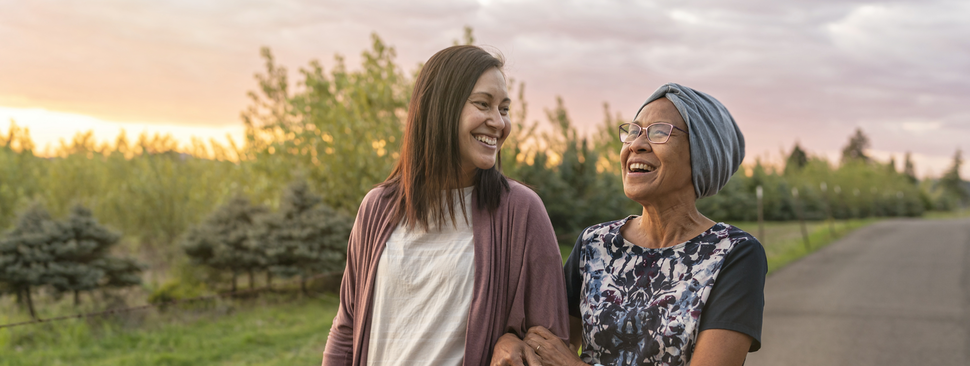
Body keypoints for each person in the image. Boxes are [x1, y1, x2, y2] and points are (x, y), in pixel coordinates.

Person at [321, 45, 569, 366]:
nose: (498, 122)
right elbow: (346, 328)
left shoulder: (521, 211)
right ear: (440, 107)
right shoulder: (377, 208)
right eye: (483, 104)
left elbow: (549, 345)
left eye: (504, 109)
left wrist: (510, 342)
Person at [498, 83, 767, 366]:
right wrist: (508, 340)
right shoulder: (595, 244)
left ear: (702, 156)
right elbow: (543, 342)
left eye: (660, 132)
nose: (636, 144)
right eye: (634, 131)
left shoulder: (734, 254)